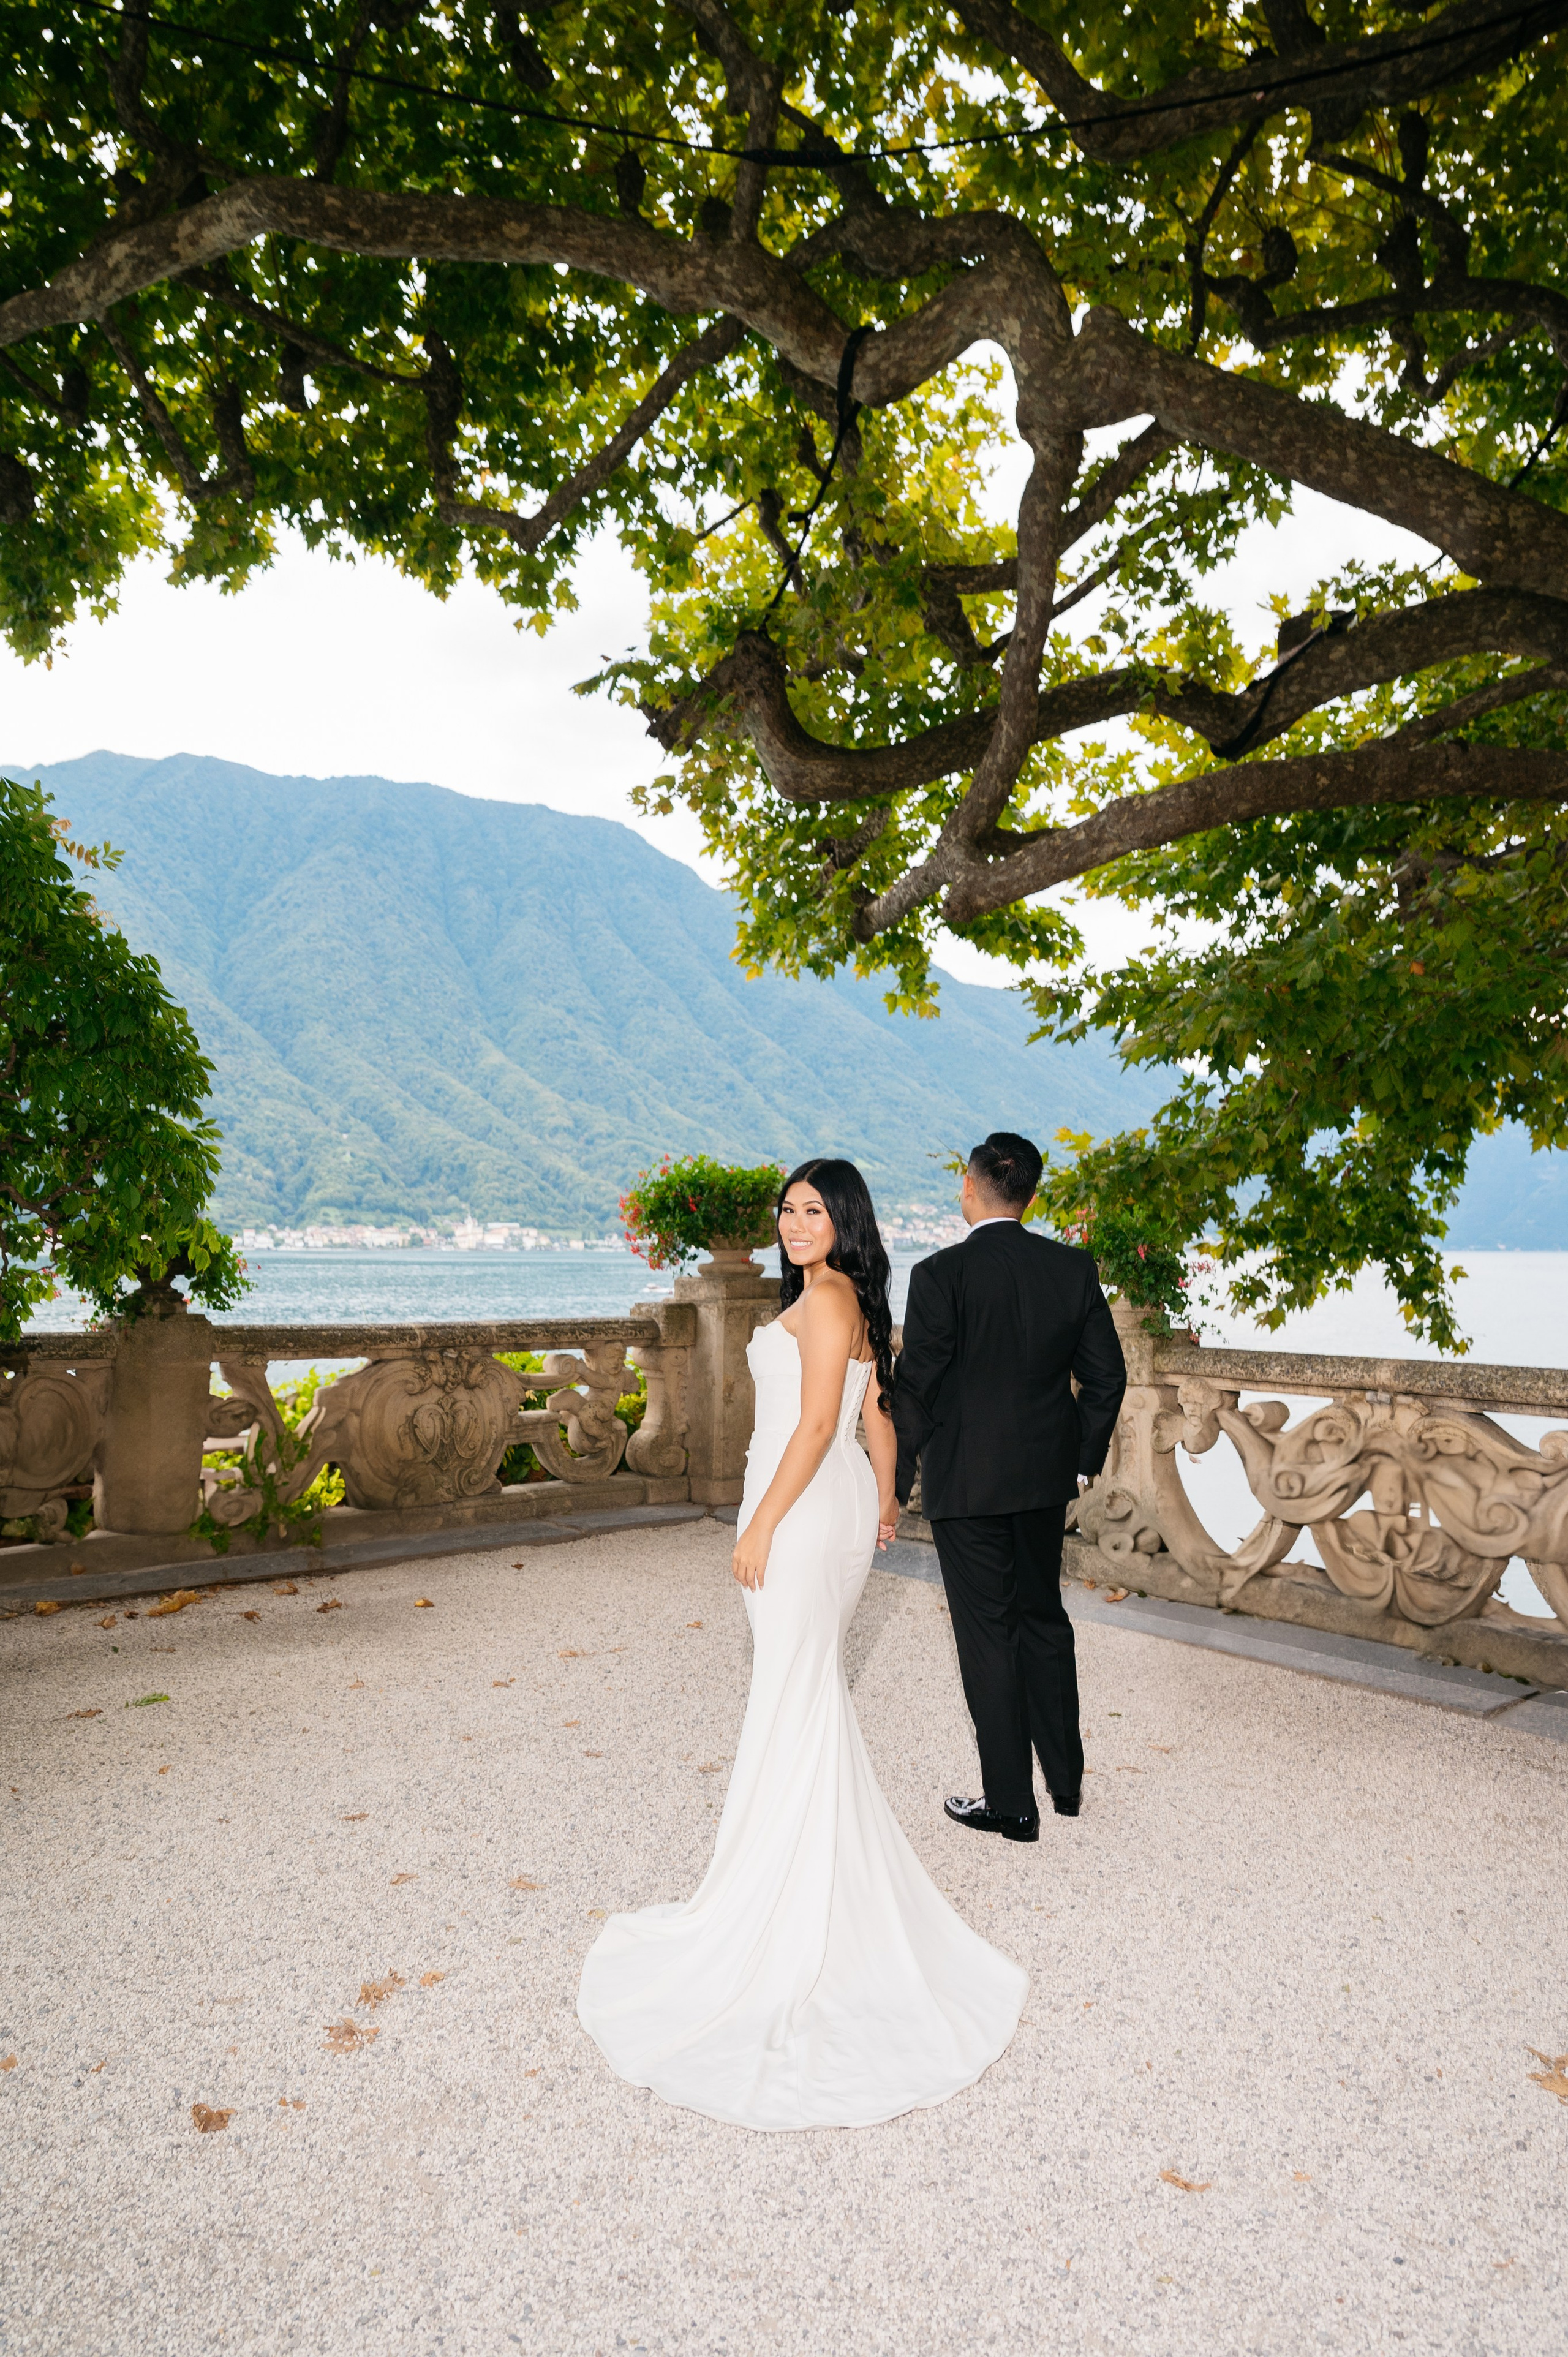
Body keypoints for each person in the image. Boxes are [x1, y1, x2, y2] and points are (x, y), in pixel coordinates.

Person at [578, 1156, 1027, 2130]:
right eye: (788, 1209)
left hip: (802, 1509)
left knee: (793, 1691)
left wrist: (761, 1524)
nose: (794, 1222)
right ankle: (802, 1885)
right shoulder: (847, 1300)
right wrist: (888, 1500)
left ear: (845, 1219)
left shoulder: (827, 1301)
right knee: (804, 1692)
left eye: (814, 1210)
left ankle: (781, 1911)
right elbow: (878, 1412)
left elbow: (822, 1423)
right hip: (831, 1505)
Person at [891, 1131, 1126, 1841]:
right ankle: (1066, 1786)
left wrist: (894, 1480)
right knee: (1043, 1620)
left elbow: (917, 1388)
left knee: (987, 1634)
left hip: (966, 1480)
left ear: (969, 1187)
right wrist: (1080, 1460)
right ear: (1030, 1194)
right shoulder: (1071, 1267)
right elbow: (1106, 1377)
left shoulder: (938, 1274)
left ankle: (1010, 1804)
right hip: (1044, 1478)